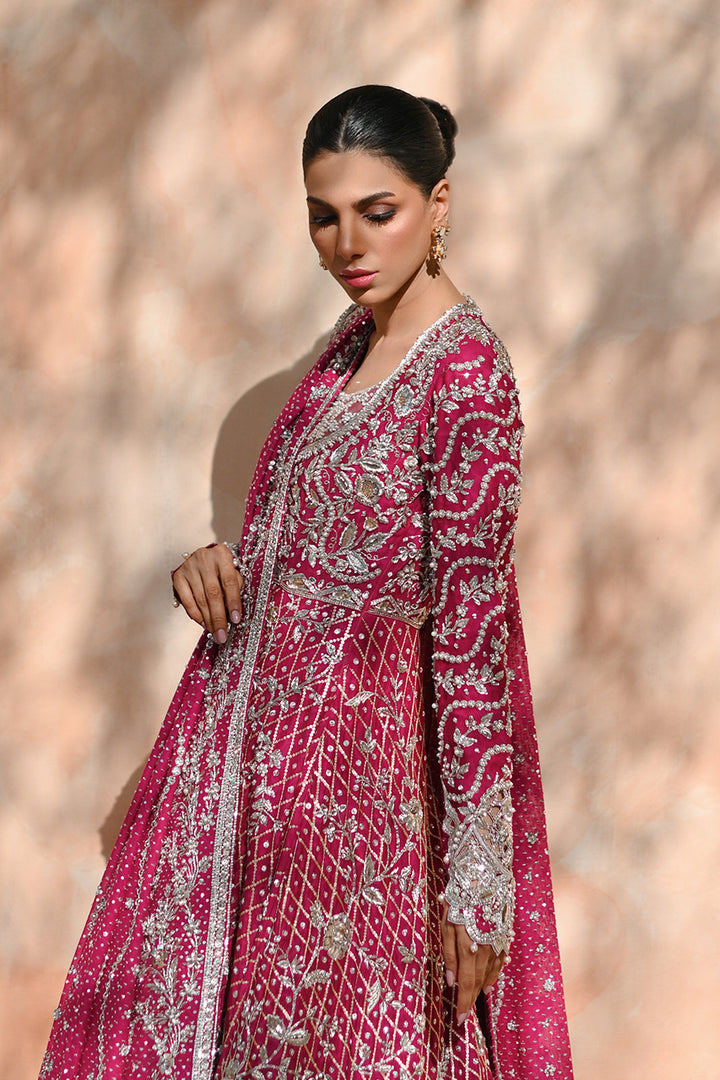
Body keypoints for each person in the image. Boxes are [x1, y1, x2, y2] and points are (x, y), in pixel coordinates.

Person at [39, 85, 573, 1080]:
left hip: (363, 815)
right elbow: (317, 549)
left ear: (439, 201)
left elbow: (471, 641)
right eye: (323, 217)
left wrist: (477, 887)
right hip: (263, 792)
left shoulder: (466, 375)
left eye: (378, 211)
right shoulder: (345, 352)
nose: (346, 246)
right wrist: (218, 563)